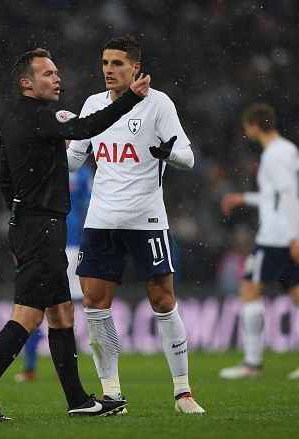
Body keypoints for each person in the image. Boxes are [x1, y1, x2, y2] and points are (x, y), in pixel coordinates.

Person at [0, 48, 150, 422]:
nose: (57, 78)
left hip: (34, 226)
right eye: (47, 73)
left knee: (62, 314)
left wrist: (19, 219)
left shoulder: (14, 121)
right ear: (26, 83)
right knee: (28, 315)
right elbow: (83, 129)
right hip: (42, 228)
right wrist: (129, 99)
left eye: (57, 72)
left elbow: (4, 179)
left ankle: (78, 400)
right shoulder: (42, 118)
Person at [67, 35, 204, 414]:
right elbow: (74, 160)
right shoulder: (93, 105)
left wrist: (167, 154)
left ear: (135, 68)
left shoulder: (158, 103)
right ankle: (111, 394)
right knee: (95, 305)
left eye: (117, 64)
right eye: (105, 63)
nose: (109, 70)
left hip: (147, 219)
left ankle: (183, 392)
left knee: (163, 301)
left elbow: (189, 158)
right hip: (101, 221)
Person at [218, 103, 299, 380]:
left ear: (253, 126)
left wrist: (291, 239)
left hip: (278, 236)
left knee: (250, 291)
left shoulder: (273, 155)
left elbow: (287, 197)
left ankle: (252, 363)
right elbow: (285, 196)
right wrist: (244, 198)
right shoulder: (289, 149)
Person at [14, 164, 93, 383]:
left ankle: (51, 369)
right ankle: (38, 368)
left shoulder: (57, 169)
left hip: (67, 246)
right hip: (55, 246)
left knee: (57, 311)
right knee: (55, 311)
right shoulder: (73, 171)